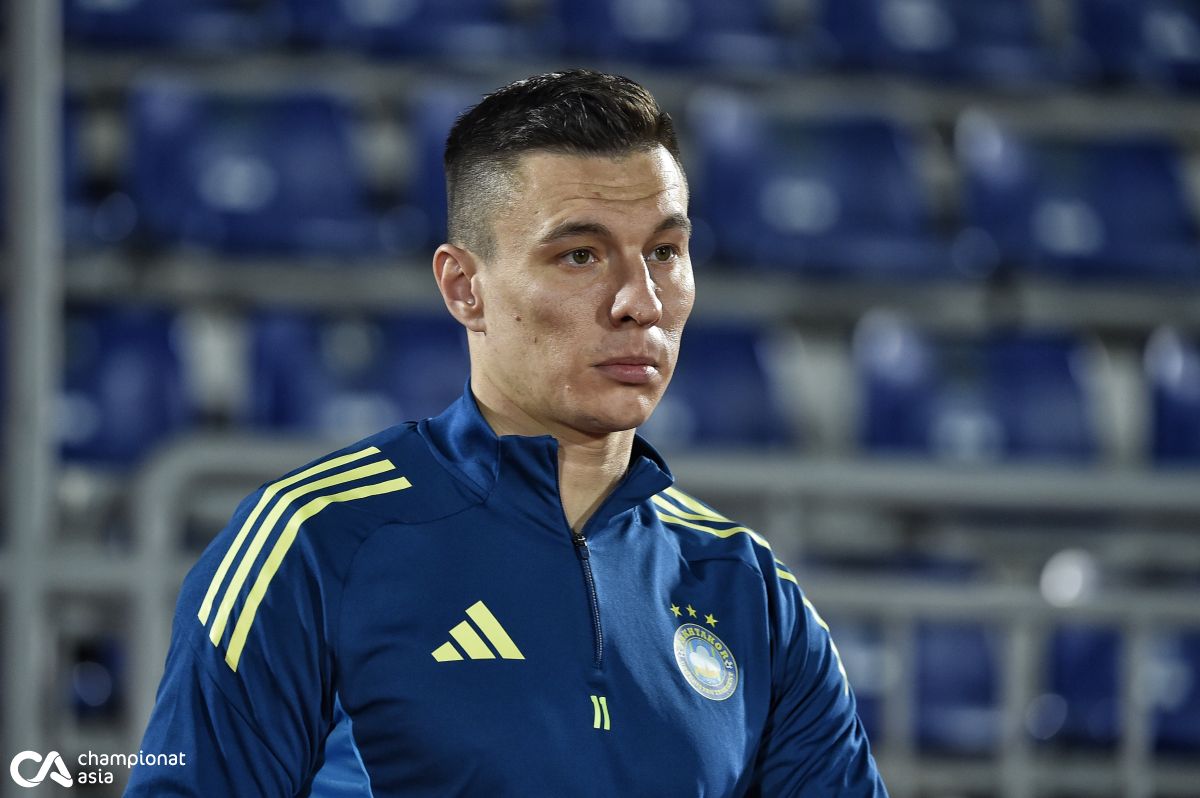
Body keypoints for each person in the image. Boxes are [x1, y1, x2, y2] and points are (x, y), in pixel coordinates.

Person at [126, 69, 888, 797]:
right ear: (464, 288)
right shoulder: (314, 544)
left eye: (664, 252)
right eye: (581, 255)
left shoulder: (749, 590)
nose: (641, 301)